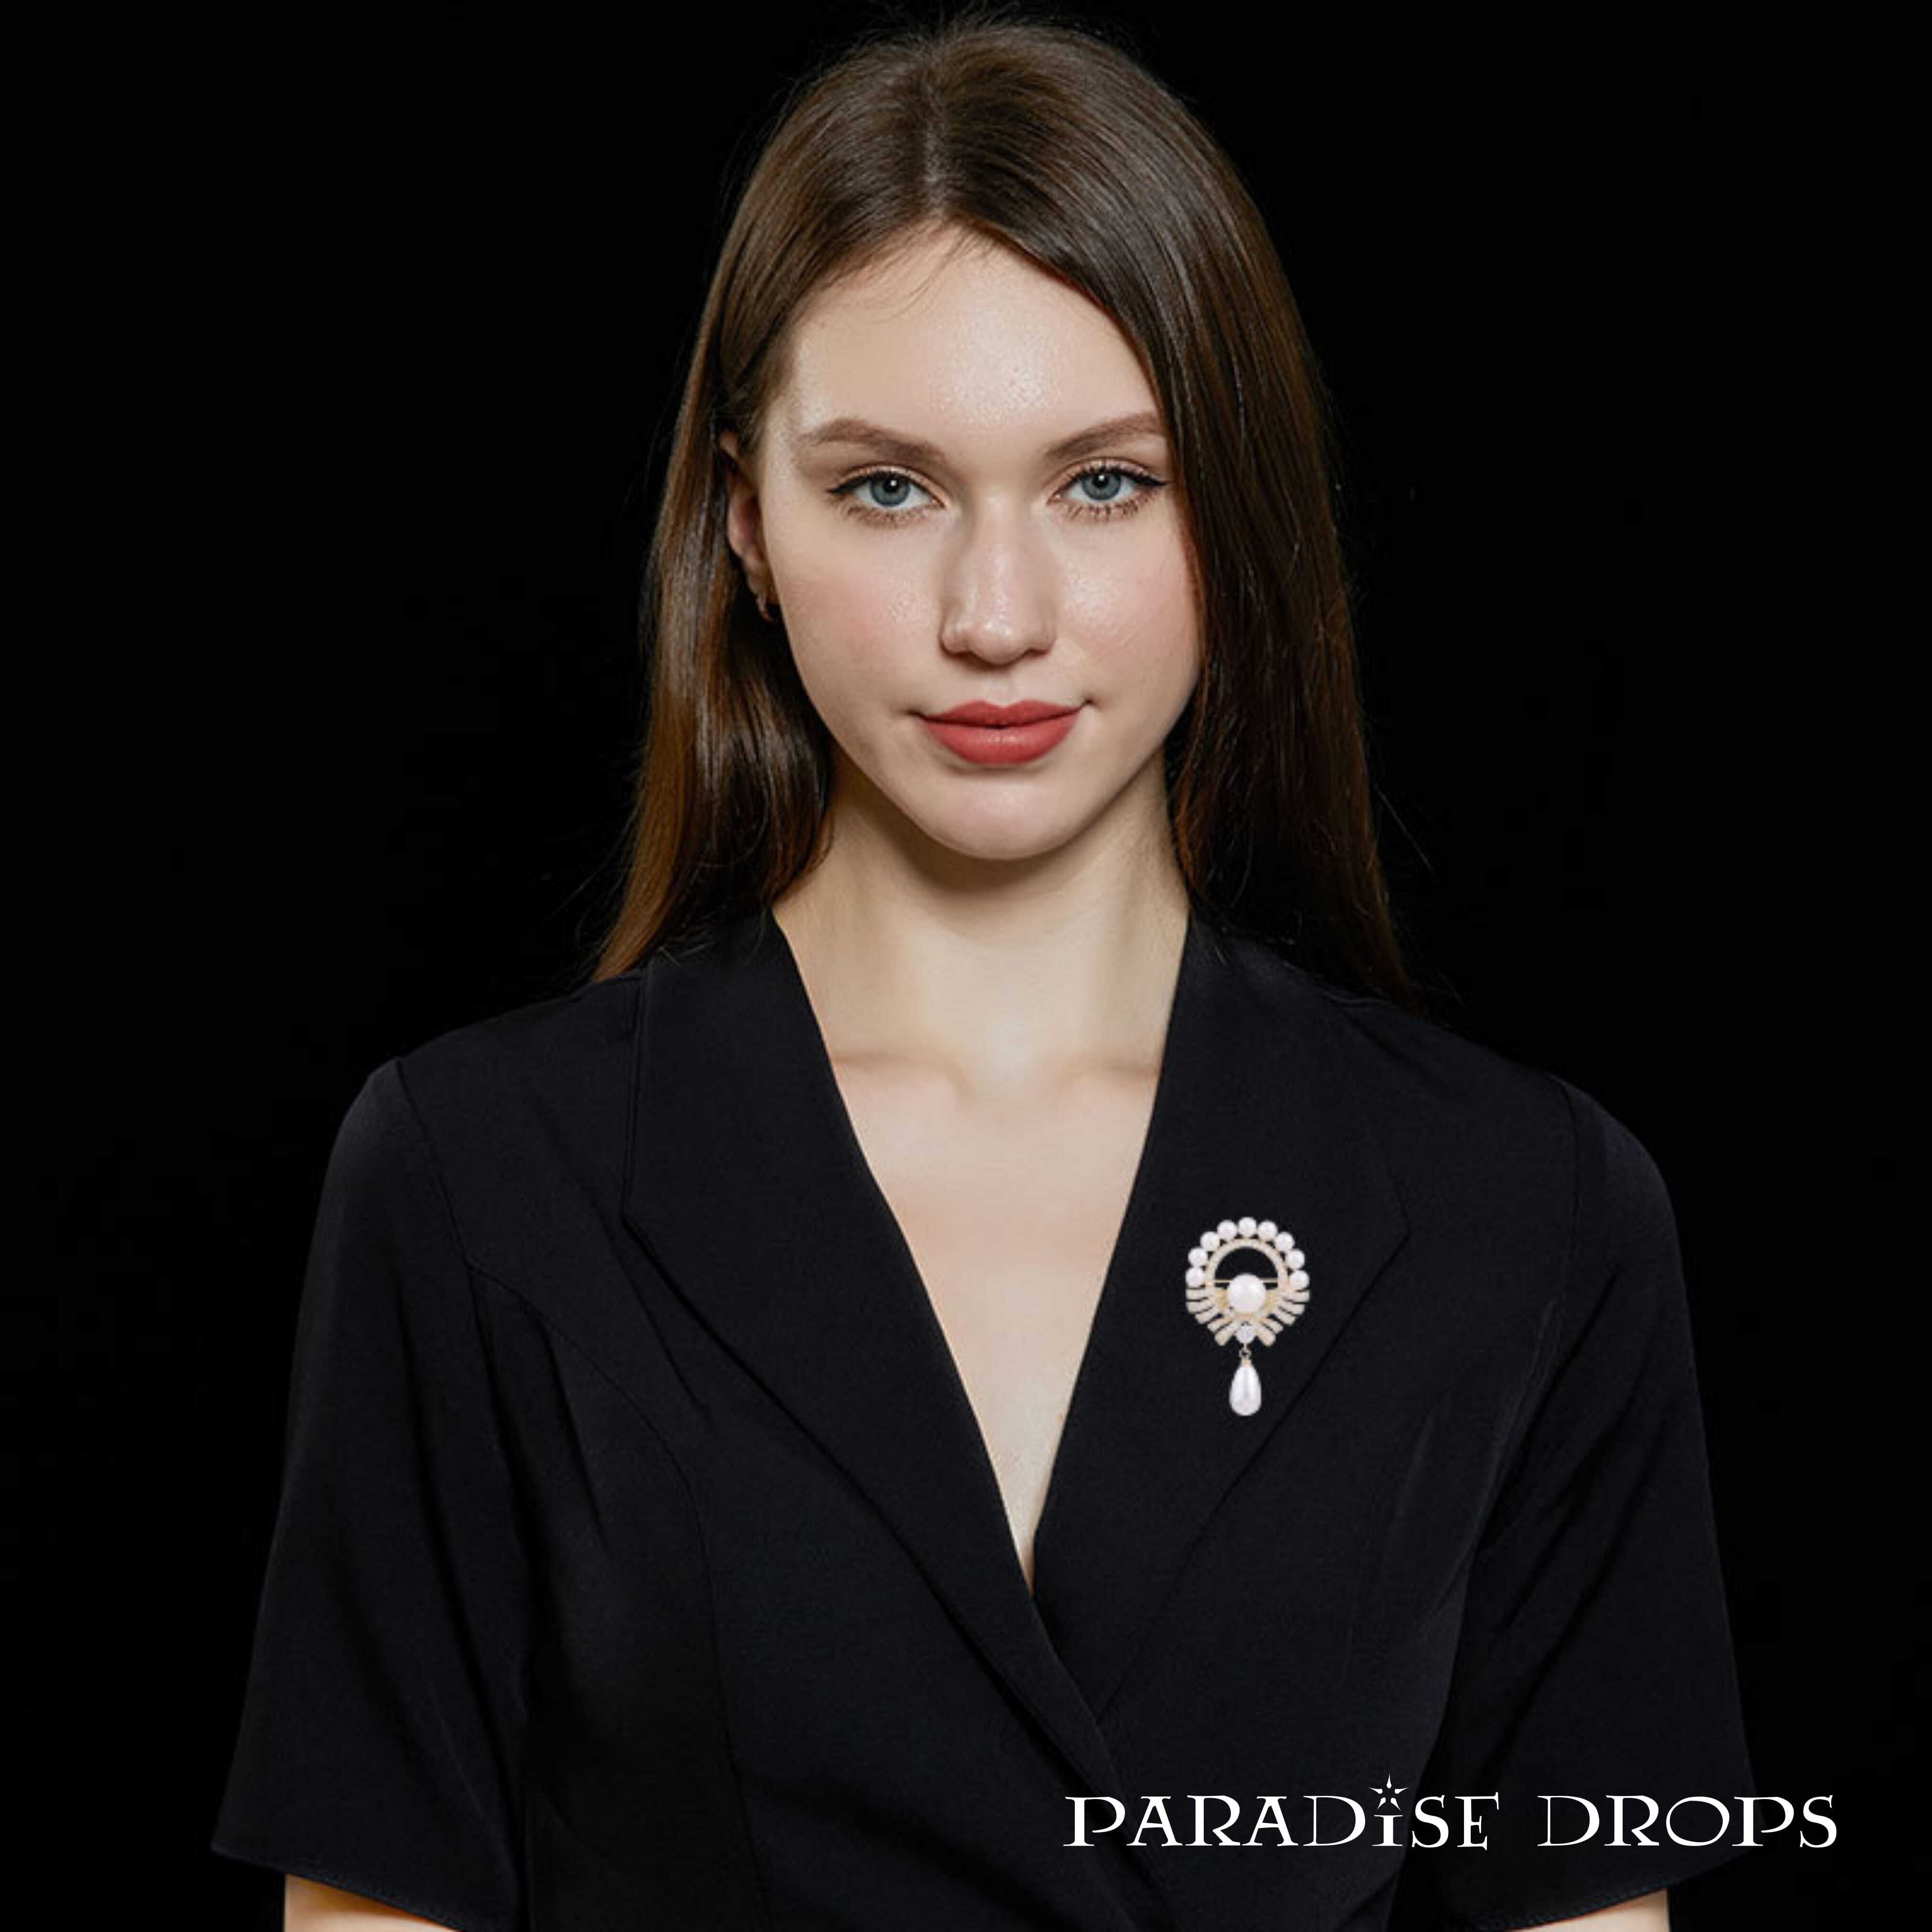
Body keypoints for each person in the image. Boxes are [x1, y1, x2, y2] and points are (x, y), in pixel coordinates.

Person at [211, 11, 1757, 1930]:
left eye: (1105, 482)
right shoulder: (480, 1177)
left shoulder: (1524, 1208)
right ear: (743, 523)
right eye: (888, 487)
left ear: (1241, 509)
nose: (994, 617)